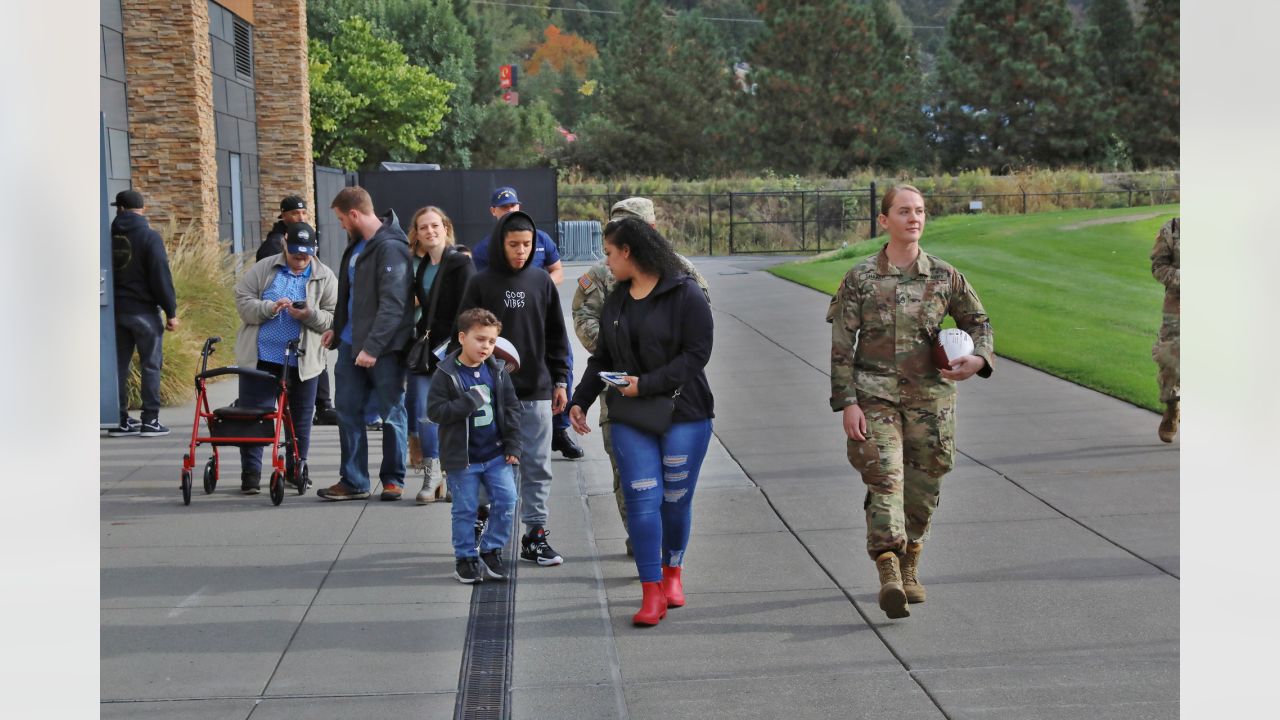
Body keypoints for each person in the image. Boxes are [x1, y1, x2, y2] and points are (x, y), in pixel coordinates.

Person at [827, 184, 994, 620]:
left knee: (925, 487)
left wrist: (978, 358)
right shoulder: (861, 278)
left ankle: (910, 559)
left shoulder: (944, 276)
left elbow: (979, 322)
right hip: (875, 396)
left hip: (931, 402)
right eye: (904, 211)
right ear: (884, 221)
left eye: (919, 211)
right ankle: (888, 569)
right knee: (885, 478)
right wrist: (847, 402)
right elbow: (842, 344)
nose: (914, 218)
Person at [568, 218, 715, 627]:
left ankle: (672, 575)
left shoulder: (685, 293)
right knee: (641, 498)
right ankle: (651, 591)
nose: (607, 261)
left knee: (674, 499)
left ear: (629, 251)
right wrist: (580, 400)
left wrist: (646, 383)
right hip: (630, 416)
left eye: (610, 253)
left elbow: (696, 355)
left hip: (684, 413)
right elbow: (603, 356)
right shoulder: (616, 299)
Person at [458, 211, 570, 566]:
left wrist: (561, 379)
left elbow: (557, 336)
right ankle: (479, 523)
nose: (521, 251)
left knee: (537, 464)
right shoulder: (480, 283)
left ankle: (534, 534)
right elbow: (460, 335)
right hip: (488, 391)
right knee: (485, 462)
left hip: (535, 388)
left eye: (527, 244)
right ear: (499, 244)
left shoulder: (541, 282)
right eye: (513, 245)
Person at [318, 186, 414, 501]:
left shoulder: (391, 247)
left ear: (355, 214)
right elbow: (351, 296)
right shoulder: (357, 245)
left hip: (382, 349)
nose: (342, 225)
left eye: (342, 219)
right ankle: (354, 481)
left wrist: (372, 347)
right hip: (349, 345)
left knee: (391, 412)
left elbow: (393, 304)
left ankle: (393, 480)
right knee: (347, 410)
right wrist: (337, 328)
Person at [472, 187, 583, 460]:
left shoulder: (541, 248)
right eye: (504, 207)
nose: (522, 250)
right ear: (493, 212)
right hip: (501, 370)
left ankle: (560, 429)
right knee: (502, 460)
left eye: (514, 206)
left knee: (537, 466)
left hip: (538, 354)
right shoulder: (484, 259)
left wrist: (536, 288)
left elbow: (556, 270)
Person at [232, 222, 337, 494]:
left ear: (314, 249)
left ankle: (296, 469)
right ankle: (251, 474)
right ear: (285, 246)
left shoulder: (324, 276)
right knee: (254, 417)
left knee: (300, 419)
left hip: (302, 361)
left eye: (306, 255)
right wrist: (267, 307)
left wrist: (309, 315)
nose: (300, 260)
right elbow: (242, 300)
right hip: (262, 358)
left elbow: (333, 318)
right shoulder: (265, 268)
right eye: (295, 254)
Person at [427, 308, 522, 583]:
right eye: (480, 339)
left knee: (507, 500)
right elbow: (435, 412)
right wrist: (468, 401)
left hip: (496, 454)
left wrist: (513, 445)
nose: (486, 347)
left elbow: (512, 409)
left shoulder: (497, 370)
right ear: (462, 337)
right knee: (465, 509)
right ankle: (465, 556)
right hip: (463, 458)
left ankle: (492, 550)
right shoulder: (445, 374)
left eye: (492, 341)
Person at [406, 205, 475, 503]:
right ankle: (432, 474)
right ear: (417, 234)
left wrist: (458, 349)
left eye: (435, 226)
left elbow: (468, 309)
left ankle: (451, 476)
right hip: (426, 350)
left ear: (445, 228)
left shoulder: (460, 263)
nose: (430, 231)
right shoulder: (421, 266)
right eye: (424, 227)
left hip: (454, 350)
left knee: (455, 415)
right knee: (424, 412)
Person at [257, 195, 339, 426]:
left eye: (303, 213)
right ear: (283, 216)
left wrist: (311, 312)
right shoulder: (273, 246)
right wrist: (270, 306)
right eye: (294, 213)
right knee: (268, 411)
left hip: (306, 343)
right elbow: (252, 293)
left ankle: (323, 406)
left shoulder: (309, 241)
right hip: (273, 348)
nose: (300, 217)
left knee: (315, 356)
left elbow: (330, 311)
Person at [108, 189, 178, 438]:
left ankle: (119, 420)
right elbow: (160, 276)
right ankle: (150, 420)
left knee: (118, 367)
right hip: (145, 313)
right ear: (143, 209)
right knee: (150, 365)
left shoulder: (108, 237)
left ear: (121, 209)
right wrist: (171, 311)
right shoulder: (149, 237)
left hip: (114, 313)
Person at [1150, 217, 1179, 443]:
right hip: (1178, 308)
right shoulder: (1172, 229)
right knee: (1169, 360)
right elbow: (1158, 267)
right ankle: (1172, 408)